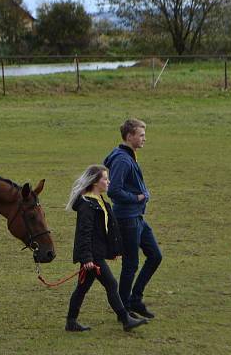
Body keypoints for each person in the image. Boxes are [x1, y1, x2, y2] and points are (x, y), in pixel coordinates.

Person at [65, 165, 147, 332]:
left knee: (82, 288)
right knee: (111, 283)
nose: (108, 181)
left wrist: (113, 250)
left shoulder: (99, 201)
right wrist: (87, 259)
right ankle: (125, 319)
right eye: (105, 178)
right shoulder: (87, 205)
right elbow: (84, 233)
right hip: (92, 256)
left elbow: (106, 230)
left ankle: (71, 322)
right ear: (95, 182)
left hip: (96, 253)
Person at [104, 118, 162, 319]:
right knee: (130, 264)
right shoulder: (121, 159)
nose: (145, 139)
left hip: (137, 216)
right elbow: (113, 191)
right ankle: (124, 309)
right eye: (141, 135)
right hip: (127, 218)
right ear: (130, 136)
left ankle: (135, 300)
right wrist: (137, 197)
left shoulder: (128, 155)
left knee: (155, 256)